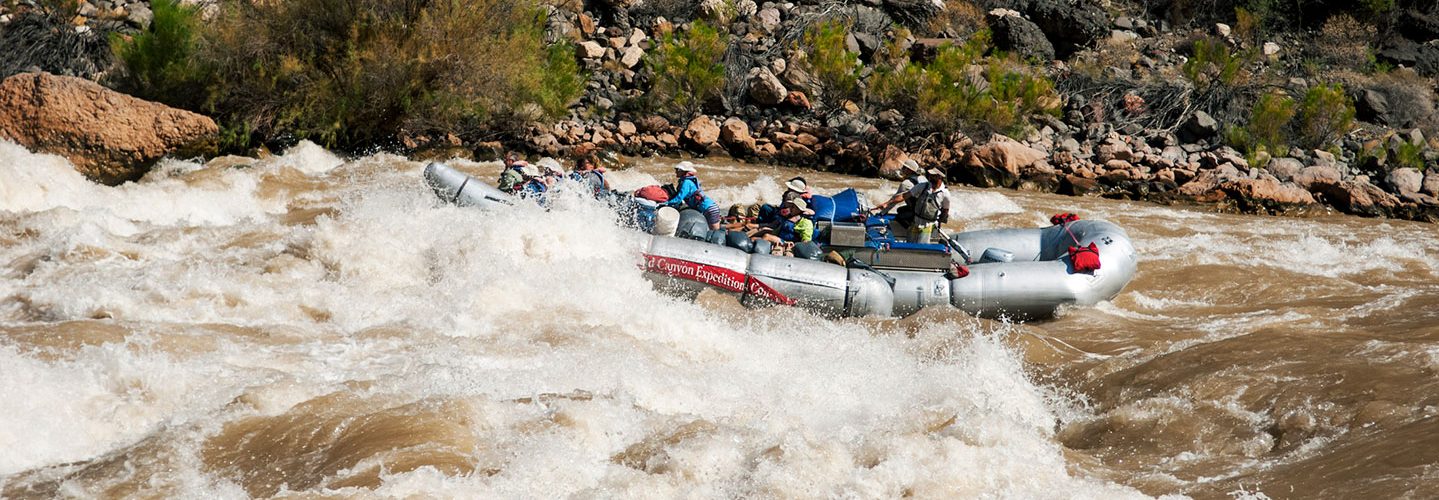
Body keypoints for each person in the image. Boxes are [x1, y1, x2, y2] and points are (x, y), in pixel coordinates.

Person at [870, 167, 950, 244]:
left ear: (939, 177)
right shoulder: (923, 186)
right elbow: (904, 196)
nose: (930, 176)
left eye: (933, 175)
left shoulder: (945, 194)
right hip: (915, 222)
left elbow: (945, 211)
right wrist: (887, 203)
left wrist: (938, 227)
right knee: (910, 243)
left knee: (921, 246)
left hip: (928, 226)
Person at [663, 161, 721, 230]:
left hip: (710, 209)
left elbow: (679, 198)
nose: (676, 172)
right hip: (708, 208)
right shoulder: (687, 181)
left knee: (714, 232)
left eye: (678, 170)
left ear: (684, 172)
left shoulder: (686, 182)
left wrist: (666, 203)